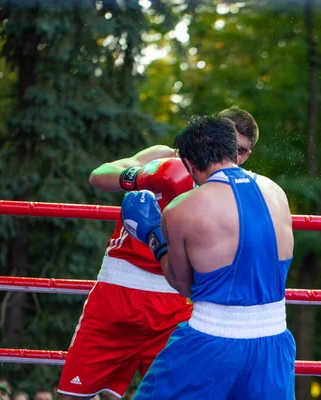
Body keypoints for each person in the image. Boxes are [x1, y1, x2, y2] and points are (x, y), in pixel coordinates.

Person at [57, 108, 259, 400]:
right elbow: (99, 175)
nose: (236, 157)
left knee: (179, 394)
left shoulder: (236, 189)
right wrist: (144, 176)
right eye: (232, 146)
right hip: (118, 291)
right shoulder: (166, 156)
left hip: (176, 302)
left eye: (244, 152)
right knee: (73, 395)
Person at [121, 115, 295, 399]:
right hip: (274, 341)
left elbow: (183, 285)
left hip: (212, 340)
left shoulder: (182, 209)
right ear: (233, 150)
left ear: (188, 163)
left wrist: (153, 235)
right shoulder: (276, 192)